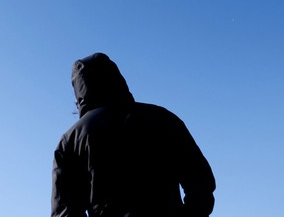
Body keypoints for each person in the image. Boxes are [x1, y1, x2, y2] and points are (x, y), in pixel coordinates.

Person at [52, 52, 216, 217]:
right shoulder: (163, 119)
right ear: (118, 80)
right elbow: (201, 186)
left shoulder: (70, 141)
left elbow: (65, 212)